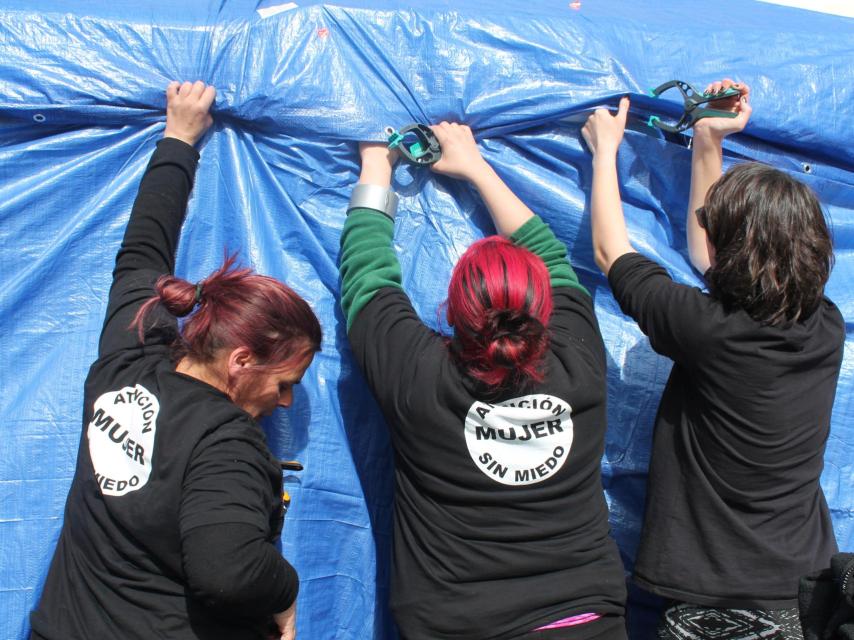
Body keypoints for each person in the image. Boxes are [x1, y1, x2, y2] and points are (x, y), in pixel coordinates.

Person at [29, 81, 321, 640]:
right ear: (241, 361)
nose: (285, 403)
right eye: (285, 383)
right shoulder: (226, 440)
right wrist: (285, 592)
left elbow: (142, 251)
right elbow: (229, 570)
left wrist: (178, 138)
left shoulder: (127, 360)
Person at [339, 123, 627, 639]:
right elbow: (552, 256)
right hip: (586, 621)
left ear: (453, 310)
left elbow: (367, 274)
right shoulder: (578, 360)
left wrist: (377, 163)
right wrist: (475, 165)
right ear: (543, 309)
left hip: (457, 624)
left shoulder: (419, 375)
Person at [581, 80, 844, 639]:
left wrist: (606, 152)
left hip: (715, 598)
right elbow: (714, 259)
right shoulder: (824, 325)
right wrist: (708, 141)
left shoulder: (707, 330)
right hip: (801, 588)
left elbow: (611, 251)